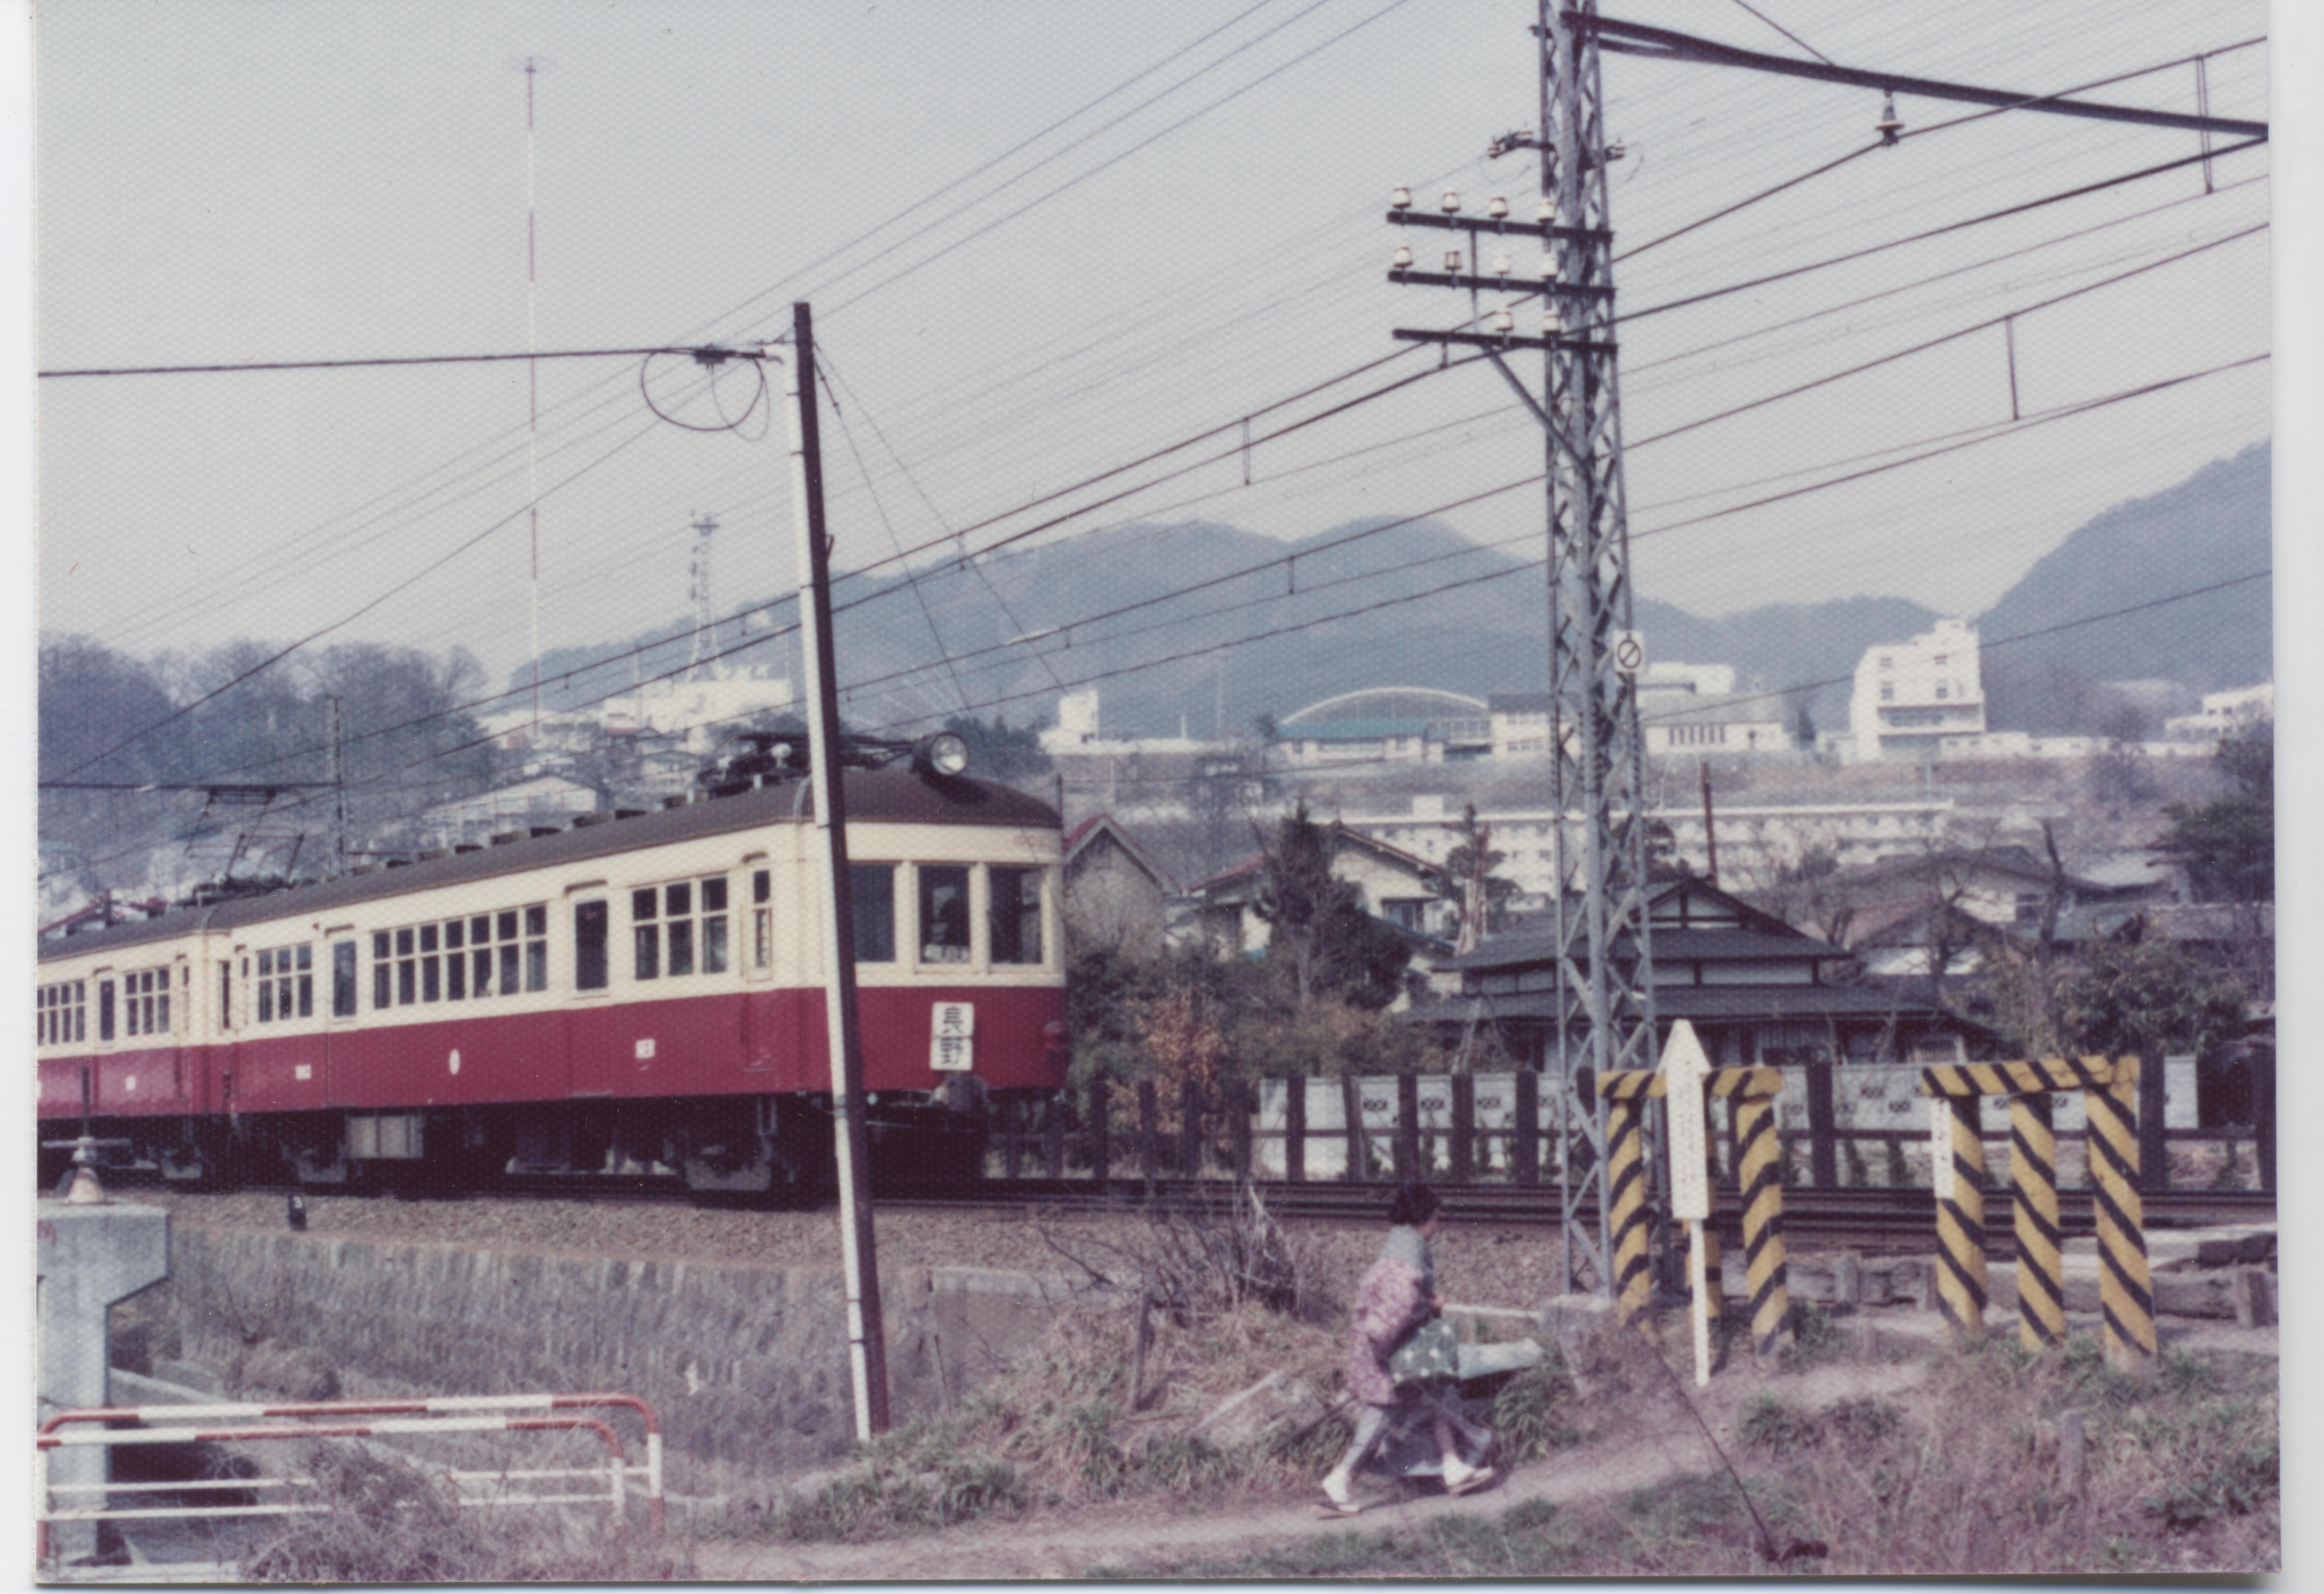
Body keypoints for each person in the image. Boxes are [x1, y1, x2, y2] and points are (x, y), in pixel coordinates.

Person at [1321, 1182, 1494, 1513]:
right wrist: (1423, 1314)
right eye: (1436, 1218)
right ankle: (1340, 1478)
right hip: (1388, 1357)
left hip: (1394, 1353)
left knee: (1438, 1394)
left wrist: (1427, 1304)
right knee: (1380, 1417)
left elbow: (1398, 1303)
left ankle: (1452, 1464)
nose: (1438, 1226)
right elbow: (1389, 1318)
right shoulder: (1410, 1264)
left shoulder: (1397, 1250)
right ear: (1425, 1219)